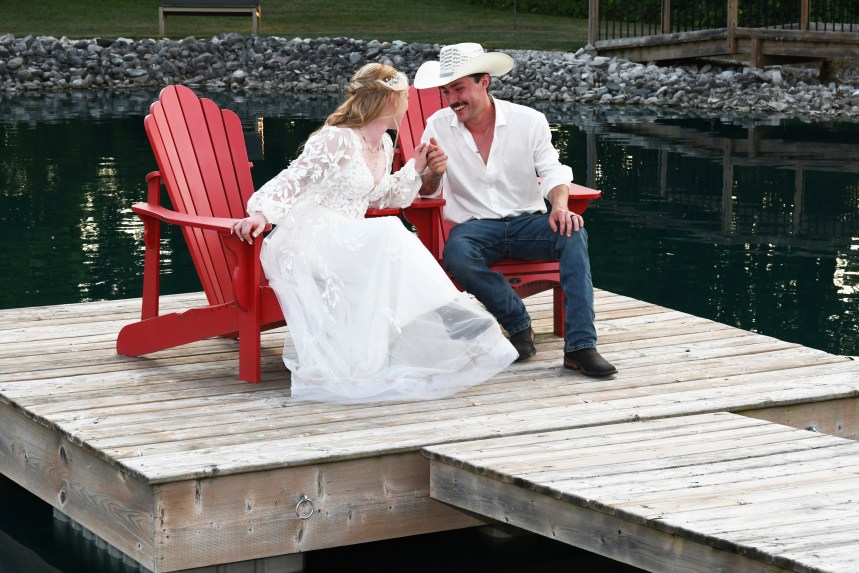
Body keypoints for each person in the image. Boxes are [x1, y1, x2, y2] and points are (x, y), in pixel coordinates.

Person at [231, 63, 518, 403]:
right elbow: (295, 179)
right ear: (387, 101)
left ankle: (437, 325)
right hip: (309, 237)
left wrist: (417, 167)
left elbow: (385, 195)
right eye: (404, 95)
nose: (410, 100)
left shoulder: (382, 142)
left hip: (346, 238)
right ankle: (451, 319)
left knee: (389, 235)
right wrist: (261, 214)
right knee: (391, 233)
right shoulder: (337, 138)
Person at [413, 43, 617, 377]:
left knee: (573, 231)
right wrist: (432, 173)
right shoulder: (437, 126)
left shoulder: (529, 121)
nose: (452, 100)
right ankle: (517, 323)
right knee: (458, 254)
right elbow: (425, 190)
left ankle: (581, 347)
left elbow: (553, 171)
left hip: (528, 223)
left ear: (484, 82)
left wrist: (561, 207)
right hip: (474, 228)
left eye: (459, 89)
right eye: (446, 91)